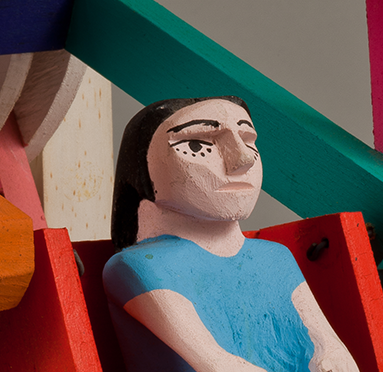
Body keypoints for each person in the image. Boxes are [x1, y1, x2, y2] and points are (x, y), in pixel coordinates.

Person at [104, 96, 359, 372]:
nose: (243, 160)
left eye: (248, 140)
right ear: (141, 169)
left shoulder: (275, 258)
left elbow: (328, 345)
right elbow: (215, 363)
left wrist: (331, 354)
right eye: (197, 145)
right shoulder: (140, 267)